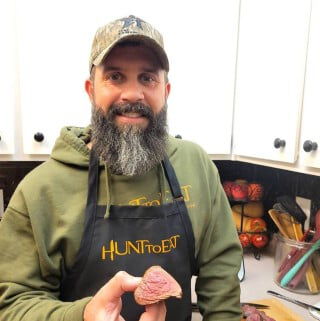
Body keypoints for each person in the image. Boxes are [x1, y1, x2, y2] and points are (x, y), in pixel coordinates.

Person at [0, 15, 242, 321]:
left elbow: (221, 273)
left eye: (147, 78)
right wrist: (83, 315)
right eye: (115, 77)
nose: (132, 94)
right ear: (91, 90)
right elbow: (12, 304)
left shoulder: (196, 166)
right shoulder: (41, 189)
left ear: (165, 91)